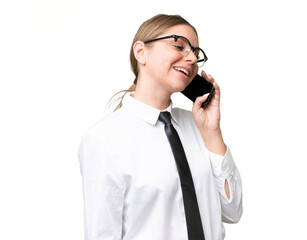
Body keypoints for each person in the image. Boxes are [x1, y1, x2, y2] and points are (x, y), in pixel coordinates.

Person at [78, 14, 243, 240]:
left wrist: (212, 132)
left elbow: (233, 212)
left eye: (195, 53)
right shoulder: (104, 140)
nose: (192, 59)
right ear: (141, 52)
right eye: (179, 45)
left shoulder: (198, 126)